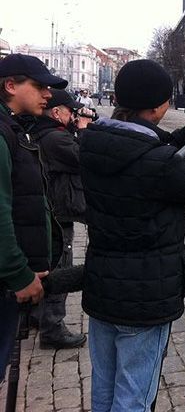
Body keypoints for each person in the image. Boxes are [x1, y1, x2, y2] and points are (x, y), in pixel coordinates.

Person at [79, 59, 185, 411]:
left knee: (104, 390)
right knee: (133, 398)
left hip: (103, 290)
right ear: (157, 106)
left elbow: (153, 148)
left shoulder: (94, 142)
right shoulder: (160, 164)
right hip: (144, 298)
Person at [0, 53, 68, 381]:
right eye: (39, 86)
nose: (48, 94)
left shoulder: (15, 129)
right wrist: (18, 274)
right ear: (10, 86)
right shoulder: (2, 134)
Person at [30, 89, 92, 349]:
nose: (74, 115)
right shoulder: (55, 138)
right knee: (61, 266)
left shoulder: (47, 133)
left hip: (53, 209)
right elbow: (85, 158)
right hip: (58, 212)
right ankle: (53, 328)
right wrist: (85, 129)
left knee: (51, 262)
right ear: (57, 112)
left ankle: (39, 315)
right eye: (70, 111)